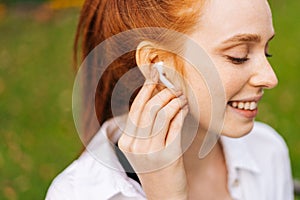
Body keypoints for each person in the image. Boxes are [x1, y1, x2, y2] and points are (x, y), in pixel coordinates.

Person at [46, 0, 294, 199]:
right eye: (238, 56)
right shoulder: (77, 193)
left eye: (266, 51)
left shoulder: (267, 151)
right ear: (156, 63)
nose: (269, 78)